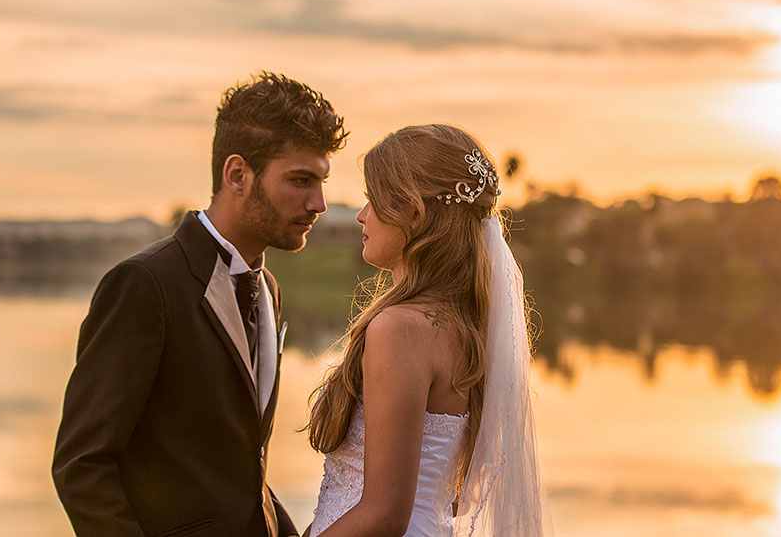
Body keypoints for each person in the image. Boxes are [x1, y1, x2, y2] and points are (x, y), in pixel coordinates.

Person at [52, 71, 347, 537]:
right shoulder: (144, 285)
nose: (319, 203)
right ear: (237, 175)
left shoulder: (267, 288)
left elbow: (240, 467)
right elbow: (81, 465)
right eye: (301, 180)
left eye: (322, 181)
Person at [304, 125, 550, 537]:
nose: (362, 215)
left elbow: (384, 514)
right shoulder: (465, 327)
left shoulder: (398, 330)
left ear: (414, 214)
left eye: (374, 201)